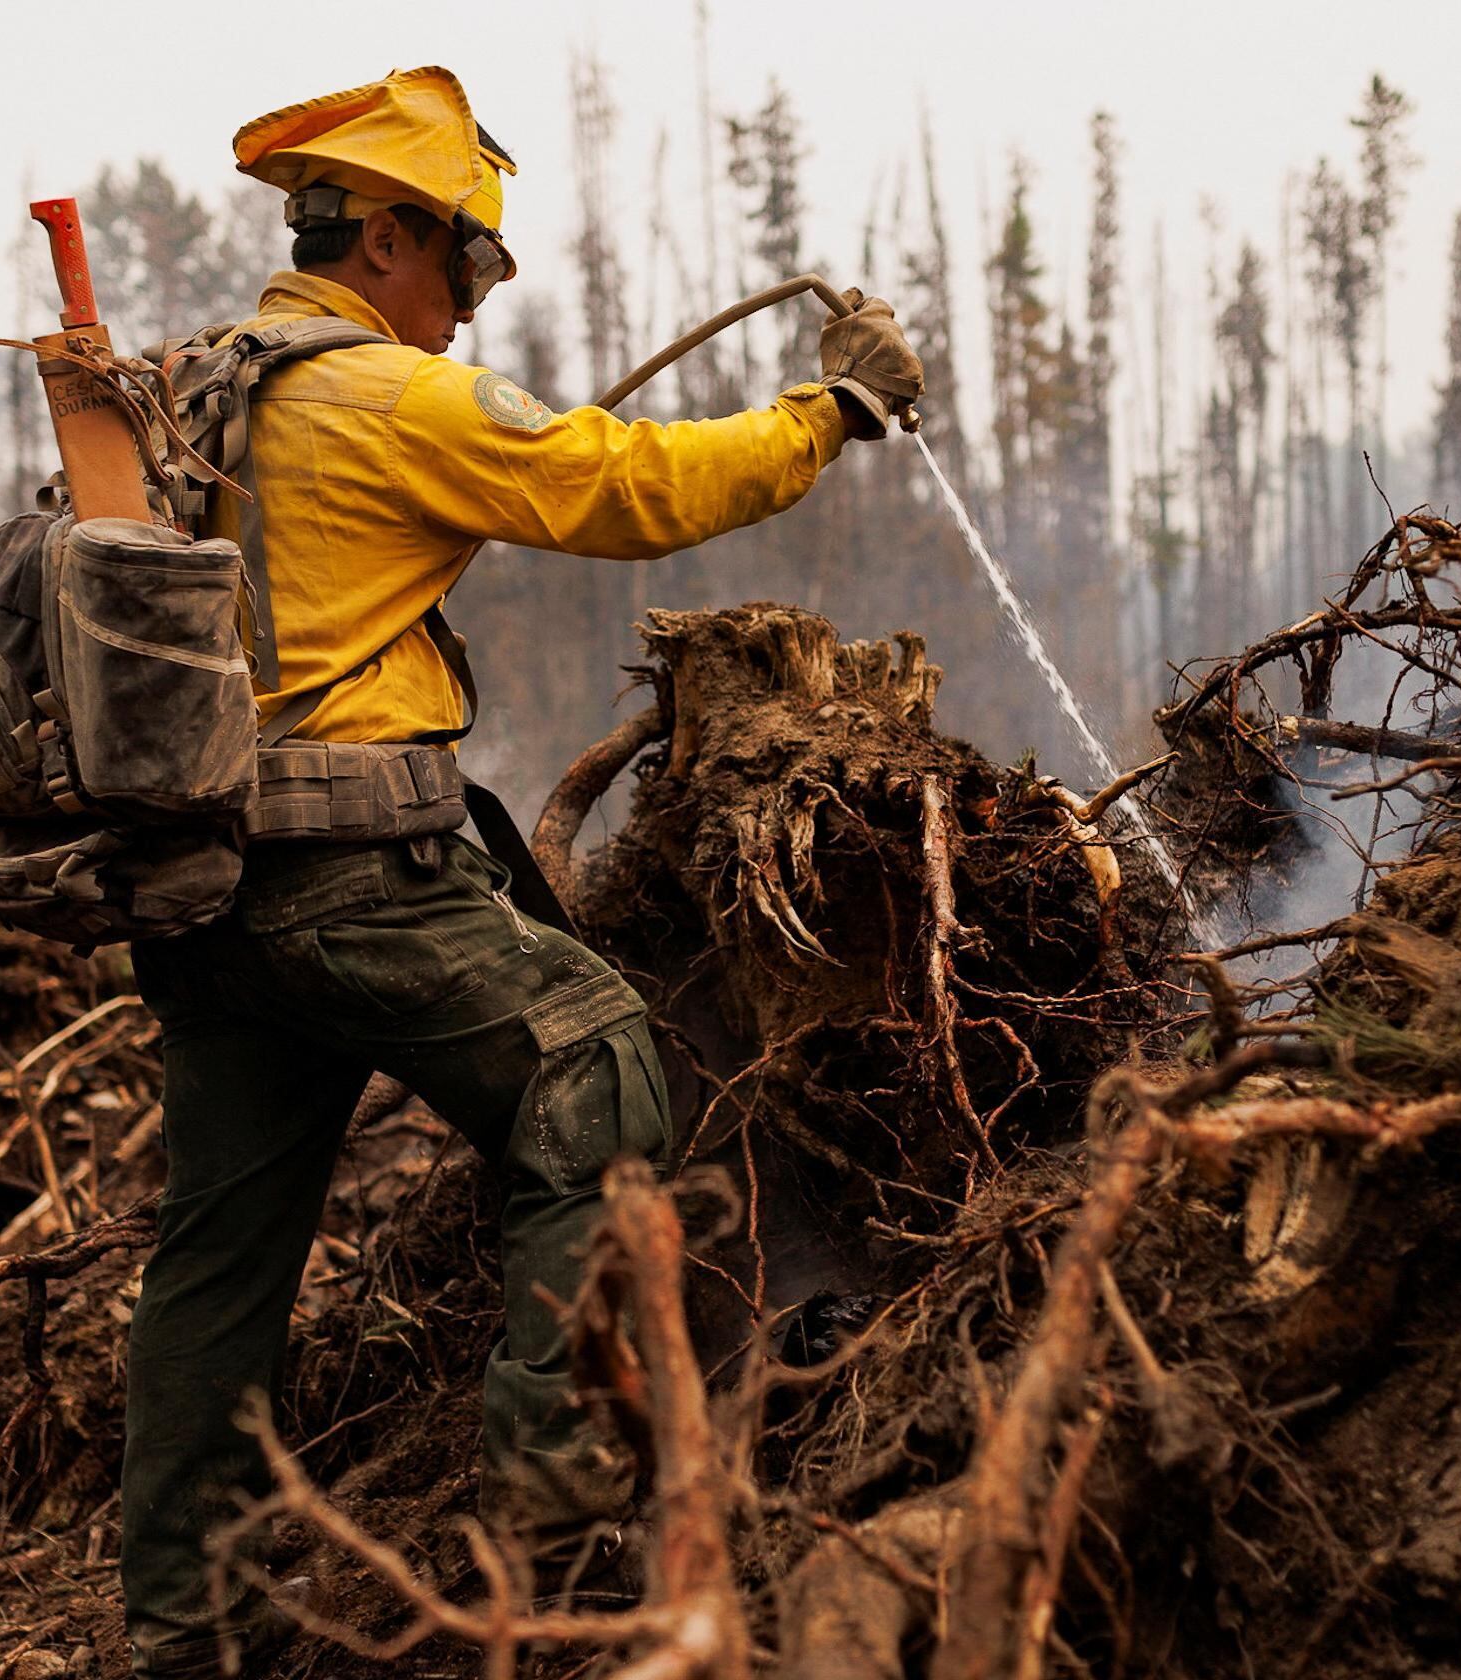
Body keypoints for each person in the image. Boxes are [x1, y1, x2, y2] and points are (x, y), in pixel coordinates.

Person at [117, 65, 923, 1678]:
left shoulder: (200, 391)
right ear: (393, 237)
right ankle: (547, 1524)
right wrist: (827, 414)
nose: (474, 310)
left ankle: (178, 1633)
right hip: (345, 875)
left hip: (201, 892)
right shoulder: (373, 395)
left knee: (221, 1253)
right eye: (470, 268)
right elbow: (629, 486)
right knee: (601, 1065)